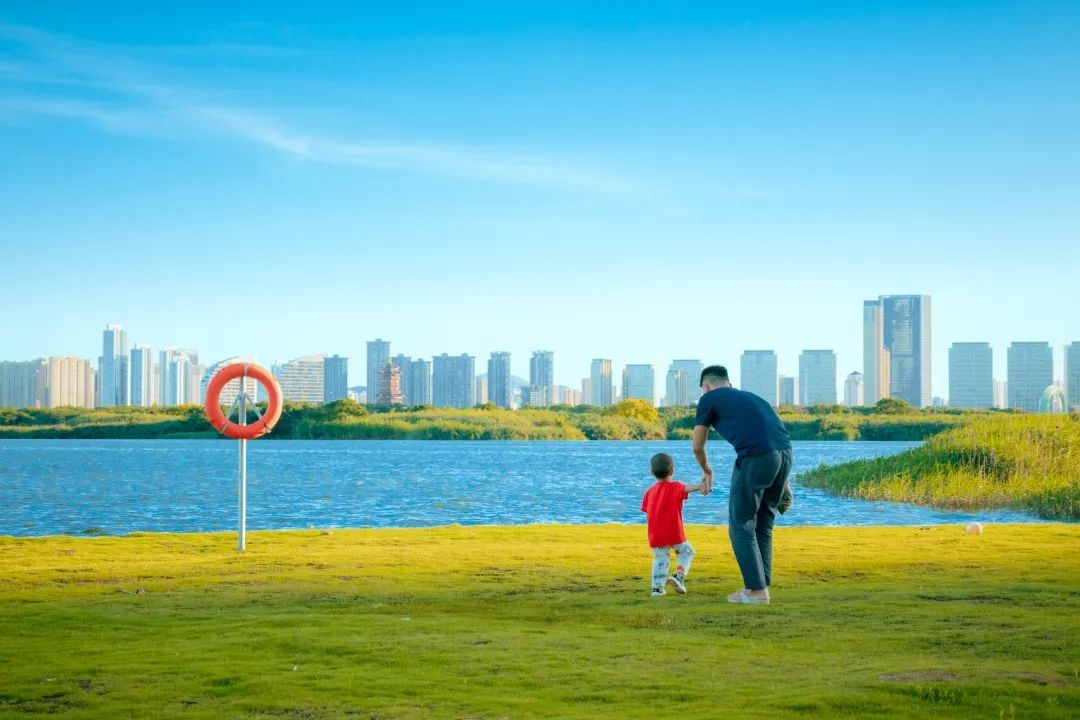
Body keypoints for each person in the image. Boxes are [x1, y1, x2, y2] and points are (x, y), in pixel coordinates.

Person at [692, 365, 793, 605]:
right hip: (785, 456)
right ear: (728, 382)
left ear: (706, 386)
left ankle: (756, 591)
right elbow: (774, 438)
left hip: (755, 458)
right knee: (763, 524)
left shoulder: (708, 399)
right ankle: (761, 587)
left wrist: (707, 470)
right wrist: (783, 483)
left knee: (741, 524)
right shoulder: (754, 398)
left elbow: (697, 446)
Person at [641, 452, 702, 597]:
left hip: (656, 535)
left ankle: (657, 589)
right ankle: (678, 575)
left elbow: (647, 514)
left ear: (651, 472)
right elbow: (688, 488)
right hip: (674, 533)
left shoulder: (648, 493)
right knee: (687, 552)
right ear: (672, 471)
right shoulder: (675, 487)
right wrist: (701, 486)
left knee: (660, 559)